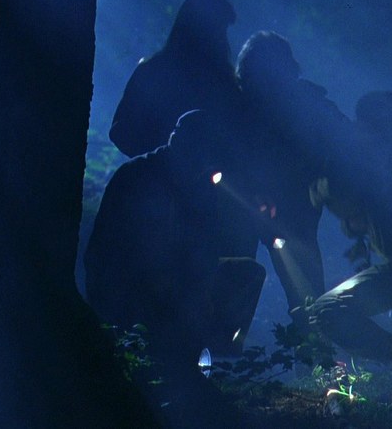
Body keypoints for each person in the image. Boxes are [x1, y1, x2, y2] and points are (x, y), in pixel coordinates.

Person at [85, 110, 268, 364]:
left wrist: (200, 281)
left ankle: (217, 357)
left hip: (177, 276)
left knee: (248, 273)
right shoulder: (137, 176)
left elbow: (206, 244)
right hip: (127, 280)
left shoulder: (199, 185)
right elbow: (116, 248)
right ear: (179, 143)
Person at [305, 91, 392, 365]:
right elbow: (357, 208)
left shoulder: (384, 158)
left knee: (328, 310)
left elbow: (337, 190)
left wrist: (321, 183)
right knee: (330, 309)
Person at [235, 31, 353, 329]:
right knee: (301, 291)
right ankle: (312, 346)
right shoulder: (242, 104)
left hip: (279, 207)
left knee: (304, 292)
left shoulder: (246, 103)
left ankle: (312, 346)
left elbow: (342, 137)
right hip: (258, 204)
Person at [109, 0, 242, 158]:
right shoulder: (153, 73)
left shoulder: (224, 81)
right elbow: (121, 131)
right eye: (220, 31)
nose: (224, 40)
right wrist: (163, 155)